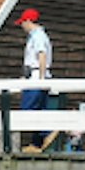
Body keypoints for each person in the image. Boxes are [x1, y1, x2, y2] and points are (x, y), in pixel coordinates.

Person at [14, 8, 53, 152]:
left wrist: (41, 79)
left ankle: (48, 132)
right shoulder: (37, 36)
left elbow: (41, 55)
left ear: (28, 21)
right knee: (39, 109)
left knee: (28, 109)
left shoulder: (38, 37)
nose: (22, 26)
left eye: (23, 22)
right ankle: (37, 143)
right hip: (34, 75)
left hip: (36, 77)